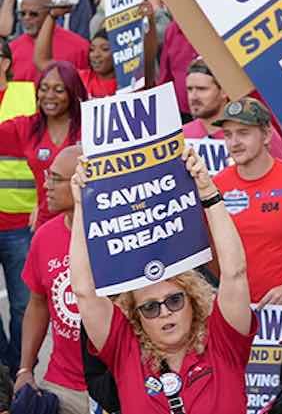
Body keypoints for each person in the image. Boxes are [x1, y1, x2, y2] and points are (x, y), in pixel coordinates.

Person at [70, 147, 254, 414]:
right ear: (137, 317)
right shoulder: (125, 352)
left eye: (175, 300)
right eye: (150, 307)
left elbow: (235, 272)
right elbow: (84, 291)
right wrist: (82, 207)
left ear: (194, 302)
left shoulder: (223, 344)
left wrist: (208, 195)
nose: (165, 312)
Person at [210, 98, 282, 305]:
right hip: (240, 311)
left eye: (243, 133)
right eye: (228, 135)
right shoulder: (215, 186)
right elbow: (210, 251)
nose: (234, 142)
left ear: (266, 135)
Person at [14, 146, 86, 414]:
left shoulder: (114, 237)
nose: (46, 185)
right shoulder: (44, 237)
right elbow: (37, 304)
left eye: (56, 178)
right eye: (48, 175)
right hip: (62, 384)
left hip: (116, 385)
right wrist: (24, 369)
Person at [0, 61, 85, 229]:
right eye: (43, 89)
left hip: (85, 224)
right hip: (46, 225)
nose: (49, 96)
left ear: (73, 92)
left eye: (59, 90)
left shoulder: (91, 126)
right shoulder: (26, 127)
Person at [0, 40, 36, 375]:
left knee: (24, 305)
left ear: (7, 63)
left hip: (19, 222)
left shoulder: (27, 94)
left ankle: (17, 370)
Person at [179, 58, 282, 162]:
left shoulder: (255, 128)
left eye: (202, 89)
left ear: (224, 91)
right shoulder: (181, 136)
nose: (193, 97)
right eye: (189, 89)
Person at [1, 0, 88, 82]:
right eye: (22, 14)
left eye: (33, 14)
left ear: (48, 12)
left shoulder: (79, 47)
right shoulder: (11, 49)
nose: (26, 18)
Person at [33, 12, 115, 99]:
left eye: (105, 49)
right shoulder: (80, 78)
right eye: (92, 49)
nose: (96, 55)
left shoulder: (128, 81)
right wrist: (52, 16)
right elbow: (42, 61)